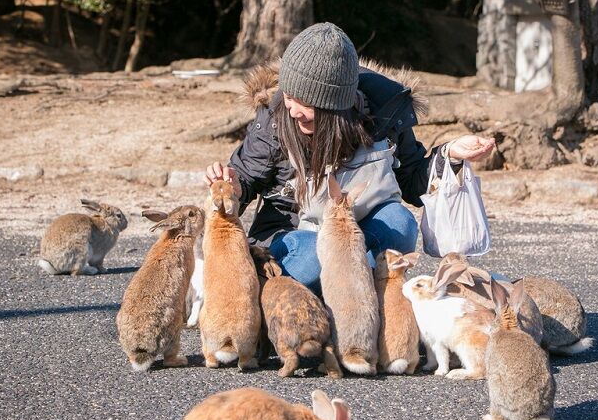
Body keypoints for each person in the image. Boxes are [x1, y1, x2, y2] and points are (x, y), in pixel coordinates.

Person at [205, 22, 494, 294]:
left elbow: (412, 183)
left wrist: (450, 154)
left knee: (400, 223)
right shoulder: (275, 116)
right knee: (312, 255)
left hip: (353, 228)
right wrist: (232, 186)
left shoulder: (384, 114)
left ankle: (348, 297)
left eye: (306, 104)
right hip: (294, 232)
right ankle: (302, 298)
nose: (293, 110)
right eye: (289, 97)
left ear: (336, 106)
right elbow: (244, 177)